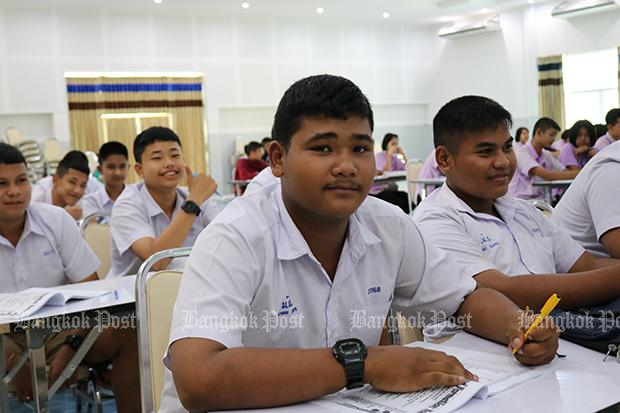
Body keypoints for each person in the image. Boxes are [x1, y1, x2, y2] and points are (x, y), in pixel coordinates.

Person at [159, 75, 558, 413]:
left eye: (361, 148)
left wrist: (517, 327)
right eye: (323, 148)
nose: (347, 165)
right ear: (278, 159)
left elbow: (464, 298)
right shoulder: (237, 235)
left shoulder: (387, 225)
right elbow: (198, 378)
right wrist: (362, 365)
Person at [413, 95, 620, 312]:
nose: (503, 161)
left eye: (507, 147)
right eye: (485, 152)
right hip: (480, 343)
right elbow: (502, 290)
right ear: (445, 159)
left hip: (556, 330)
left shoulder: (522, 211)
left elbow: (587, 265)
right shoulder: (435, 219)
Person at [0, 143, 140, 412]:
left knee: (128, 327)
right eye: (2, 183)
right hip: (3, 338)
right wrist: (10, 361)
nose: (14, 191)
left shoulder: (56, 221)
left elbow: (93, 295)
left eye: (21, 180)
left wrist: (70, 347)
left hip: (62, 328)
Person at [107, 127, 220, 278]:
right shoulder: (127, 205)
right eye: (157, 158)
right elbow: (156, 262)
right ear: (139, 169)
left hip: (188, 287)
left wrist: (196, 198)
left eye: (175, 155)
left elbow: (226, 239)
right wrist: (194, 202)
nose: (169, 163)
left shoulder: (191, 194)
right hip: (135, 296)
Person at [552, 140, 620, 258]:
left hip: (597, 264)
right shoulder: (611, 169)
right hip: (578, 269)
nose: (584, 138)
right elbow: (617, 248)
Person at [508, 117, 578, 200]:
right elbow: (546, 175)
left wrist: (578, 173)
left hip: (542, 202)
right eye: (551, 135)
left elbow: (565, 172)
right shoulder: (522, 153)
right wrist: (581, 173)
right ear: (539, 132)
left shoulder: (546, 154)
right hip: (522, 202)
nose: (553, 139)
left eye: (555, 136)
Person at [31, 150, 92, 220]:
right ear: (55, 179)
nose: (77, 190)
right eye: (72, 182)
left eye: (83, 185)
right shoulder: (38, 195)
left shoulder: (86, 199)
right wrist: (62, 215)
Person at [81, 141, 129, 218]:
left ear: (128, 167)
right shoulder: (91, 202)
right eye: (111, 167)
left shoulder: (138, 197)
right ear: (100, 170)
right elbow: (93, 228)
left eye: (122, 166)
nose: (118, 172)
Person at [369, 133, 410, 213]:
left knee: (407, 198)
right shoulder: (378, 156)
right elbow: (385, 173)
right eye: (393, 144)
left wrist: (403, 155)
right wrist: (389, 156)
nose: (395, 146)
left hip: (389, 189)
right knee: (394, 199)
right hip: (378, 191)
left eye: (397, 144)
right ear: (386, 144)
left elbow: (408, 169)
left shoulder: (395, 158)